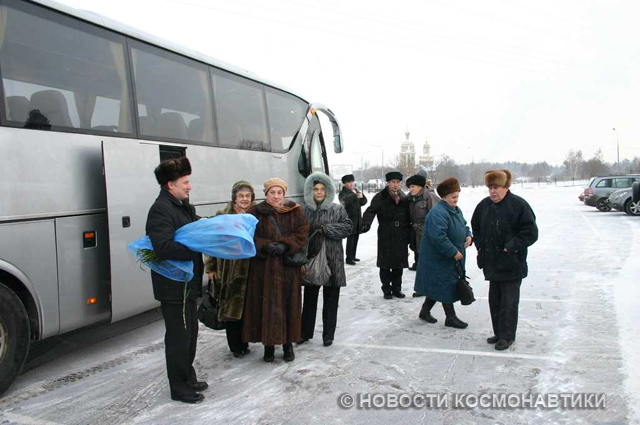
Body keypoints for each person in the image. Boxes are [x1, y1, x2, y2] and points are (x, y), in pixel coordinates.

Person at [145, 157, 207, 404]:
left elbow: (190, 228)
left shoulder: (182, 205)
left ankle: (187, 377)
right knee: (178, 338)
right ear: (170, 185)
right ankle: (179, 387)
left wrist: (205, 225)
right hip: (173, 287)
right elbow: (163, 247)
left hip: (187, 284)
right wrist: (197, 246)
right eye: (185, 182)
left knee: (190, 335)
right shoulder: (161, 209)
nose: (189, 186)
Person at [243, 178, 310, 362]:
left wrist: (285, 245)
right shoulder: (255, 212)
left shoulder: (295, 210)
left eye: (279, 192)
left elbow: (302, 232)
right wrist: (264, 245)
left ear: (284, 194)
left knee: (289, 306)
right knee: (265, 306)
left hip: (287, 269)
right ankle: (269, 346)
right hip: (263, 269)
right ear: (266, 194)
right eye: (272, 192)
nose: (276, 196)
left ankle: (288, 345)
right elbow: (248, 235)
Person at [471, 170, 538, 351]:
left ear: (505, 187)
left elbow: (531, 232)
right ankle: (499, 333)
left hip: (511, 264)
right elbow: (476, 227)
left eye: (497, 187)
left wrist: (511, 246)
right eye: (490, 188)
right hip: (492, 263)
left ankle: (507, 336)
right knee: (495, 301)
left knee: (508, 303)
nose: (493, 191)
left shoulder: (518, 205)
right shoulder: (484, 205)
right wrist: (480, 245)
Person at [204, 181, 256, 358]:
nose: (244, 199)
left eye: (247, 196)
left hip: (250, 268)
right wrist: (211, 267)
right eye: (241, 196)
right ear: (234, 197)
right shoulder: (223, 215)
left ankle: (245, 341)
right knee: (230, 308)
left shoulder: (256, 215)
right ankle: (235, 346)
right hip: (228, 268)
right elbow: (212, 242)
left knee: (247, 307)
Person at [300, 172, 353, 347]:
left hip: (333, 260)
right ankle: (305, 332)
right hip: (312, 260)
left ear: (328, 191)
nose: (319, 192)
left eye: (322, 189)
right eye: (315, 189)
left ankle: (328, 335)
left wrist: (327, 229)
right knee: (309, 299)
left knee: (331, 301)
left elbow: (348, 228)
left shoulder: (337, 209)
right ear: (310, 191)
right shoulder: (304, 210)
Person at [414, 177, 472, 329]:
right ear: (444, 197)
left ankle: (424, 311)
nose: (456, 200)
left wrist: (468, 235)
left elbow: (464, 225)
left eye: (457, 196)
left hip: (450, 256)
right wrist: (453, 251)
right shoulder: (437, 213)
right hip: (438, 257)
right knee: (446, 285)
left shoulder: (455, 210)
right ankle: (450, 317)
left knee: (438, 285)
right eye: (453, 197)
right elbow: (438, 237)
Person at [360, 171, 411, 299]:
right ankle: (386, 289)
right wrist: (366, 223)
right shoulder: (380, 197)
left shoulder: (404, 197)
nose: (395, 185)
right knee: (385, 264)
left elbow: (409, 214)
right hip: (386, 234)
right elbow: (370, 211)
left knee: (398, 265)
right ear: (388, 183)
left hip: (400, 235)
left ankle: (397, 289)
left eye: (398, 182)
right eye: (393, 182)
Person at [406, 173, 440, 273]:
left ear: (420, 187)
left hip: (427, 229)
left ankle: (427, 267)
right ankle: (418, 264)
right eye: (409, 187)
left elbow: (436, 216)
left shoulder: (429, 196)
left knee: (426, 250)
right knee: (416, 248)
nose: (410, 189)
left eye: (413, 186)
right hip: (415, 228)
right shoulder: (410, 197)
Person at [338, 174, 367, 265]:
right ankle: (348, 258)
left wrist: (362, 197)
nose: (351, 184)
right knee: (350, 238)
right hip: (349, 219)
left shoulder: (355, 191)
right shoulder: (343, 193)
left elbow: (363, 202)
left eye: (352, 182)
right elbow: (345, 202)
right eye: (349, 182)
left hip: (357, 218)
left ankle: (353, 255)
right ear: (344, 184)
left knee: (355, 238)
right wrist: (354, 196)